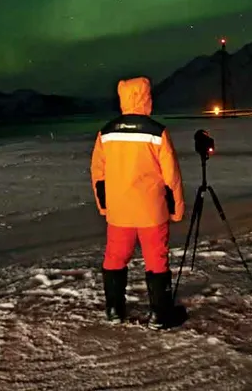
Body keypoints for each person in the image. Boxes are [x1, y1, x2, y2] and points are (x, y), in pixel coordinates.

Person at [90, 76, 185, 330]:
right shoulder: (157, 132)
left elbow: (98, 175)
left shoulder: (106, 133)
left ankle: (114, 310)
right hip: (151, 211)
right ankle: (160, 314)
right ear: (146, 97)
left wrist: (105, 206)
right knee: (156, 260)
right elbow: (171, 176)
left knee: (115, 258)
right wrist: (176, 209)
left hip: (119, 211)